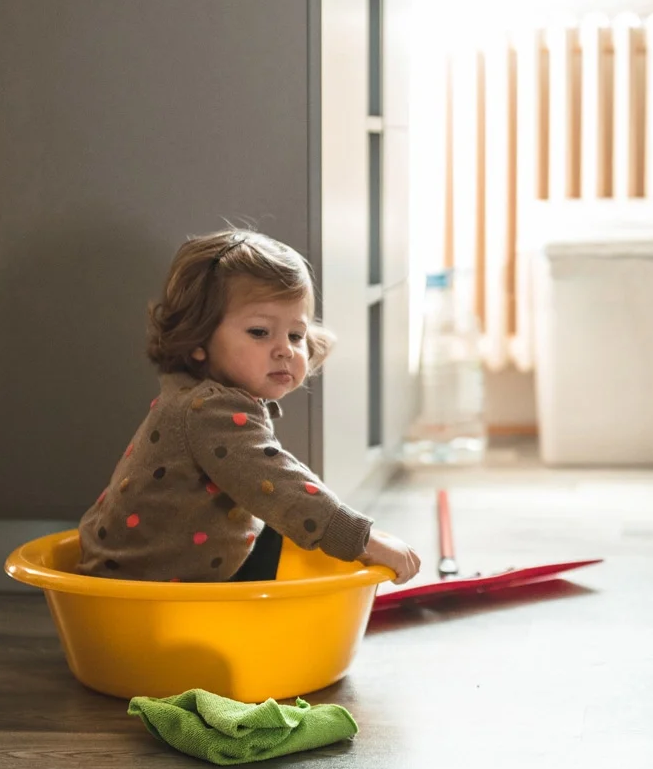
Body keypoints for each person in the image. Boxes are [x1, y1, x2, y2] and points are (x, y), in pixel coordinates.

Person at [78, 230, 423, 584]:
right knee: (287, 503)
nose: (286, 350)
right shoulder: (209, 410)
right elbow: (279, 482)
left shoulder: (196, 394)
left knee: (284, 519)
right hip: (145, 590)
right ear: (198, 340)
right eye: (260, 332)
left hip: (148, 568)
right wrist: (362, 539)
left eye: (295, 336)